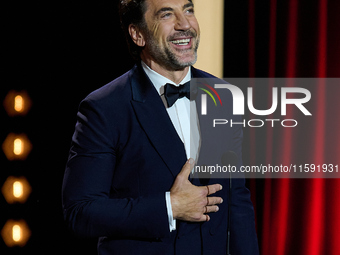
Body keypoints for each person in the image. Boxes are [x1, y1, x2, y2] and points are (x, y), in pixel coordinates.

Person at [62, 0, 259, 254]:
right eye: (167, 15)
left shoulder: (225, 96)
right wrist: (170, 206)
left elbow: (237, 203)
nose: (185, 24)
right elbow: (80, 211)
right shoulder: (104, 108)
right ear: (138, 34)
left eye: (188, 10)